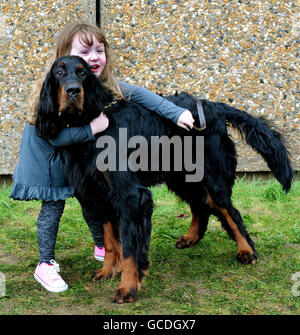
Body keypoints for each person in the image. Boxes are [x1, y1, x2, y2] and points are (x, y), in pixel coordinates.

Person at [9, 22, 195, 293]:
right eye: (86, 50)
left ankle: (107, 248)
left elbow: (145, 96)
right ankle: (45, 263)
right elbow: (54, 137)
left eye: (100, 49)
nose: (95, 56)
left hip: (73, 163)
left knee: (92, 202)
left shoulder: (102, 85)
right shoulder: (50, 85)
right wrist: (92, 129)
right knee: (52, 209)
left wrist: (176, 113)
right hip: (46, 168)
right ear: (64, 54)